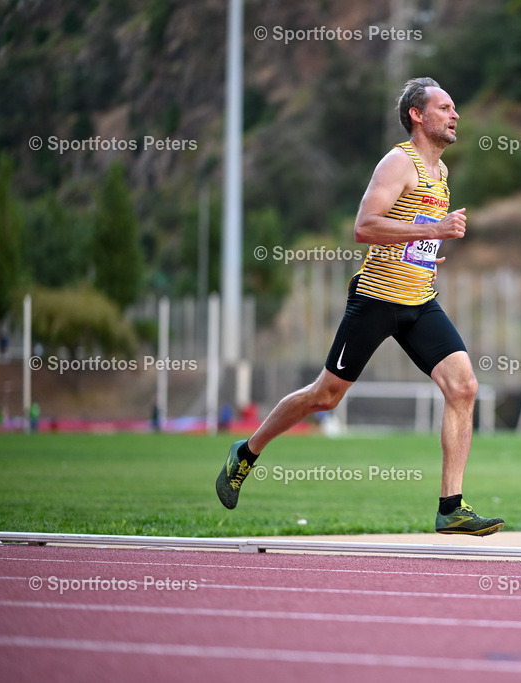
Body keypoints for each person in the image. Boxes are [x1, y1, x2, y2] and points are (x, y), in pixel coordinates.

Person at [215, 77, 503, 536]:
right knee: (325, 397)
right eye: (445, 107)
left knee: (463, 386)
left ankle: (451, 506)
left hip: (419, 302)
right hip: (375, 300)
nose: (456, 115)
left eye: (455, 108)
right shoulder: (397, 162)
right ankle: (245, 452)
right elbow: (365, 226)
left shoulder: (442, 174)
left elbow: (410, 230)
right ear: (417, 115)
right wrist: (432, 232)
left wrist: (425, 257)